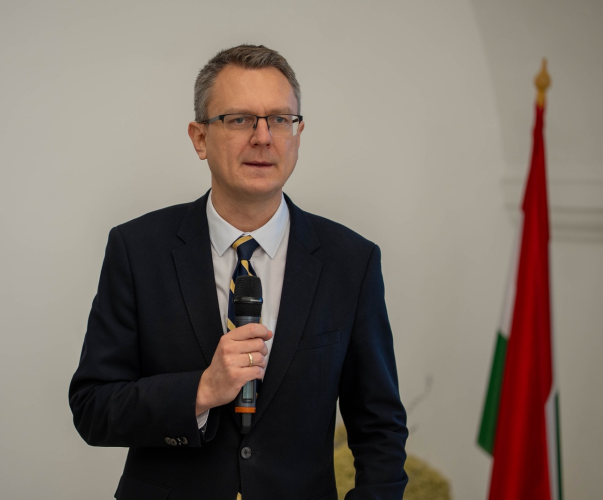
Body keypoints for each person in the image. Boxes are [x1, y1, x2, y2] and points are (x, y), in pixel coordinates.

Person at [69, 44, 408, 500]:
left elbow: (380, 427)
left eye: (280, 119)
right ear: (200, 138)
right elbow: (93, 407)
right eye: (240, 119)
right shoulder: (138, 249)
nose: (263, 137)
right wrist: (201, 390)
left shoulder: (351, 261)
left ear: (298, 133)